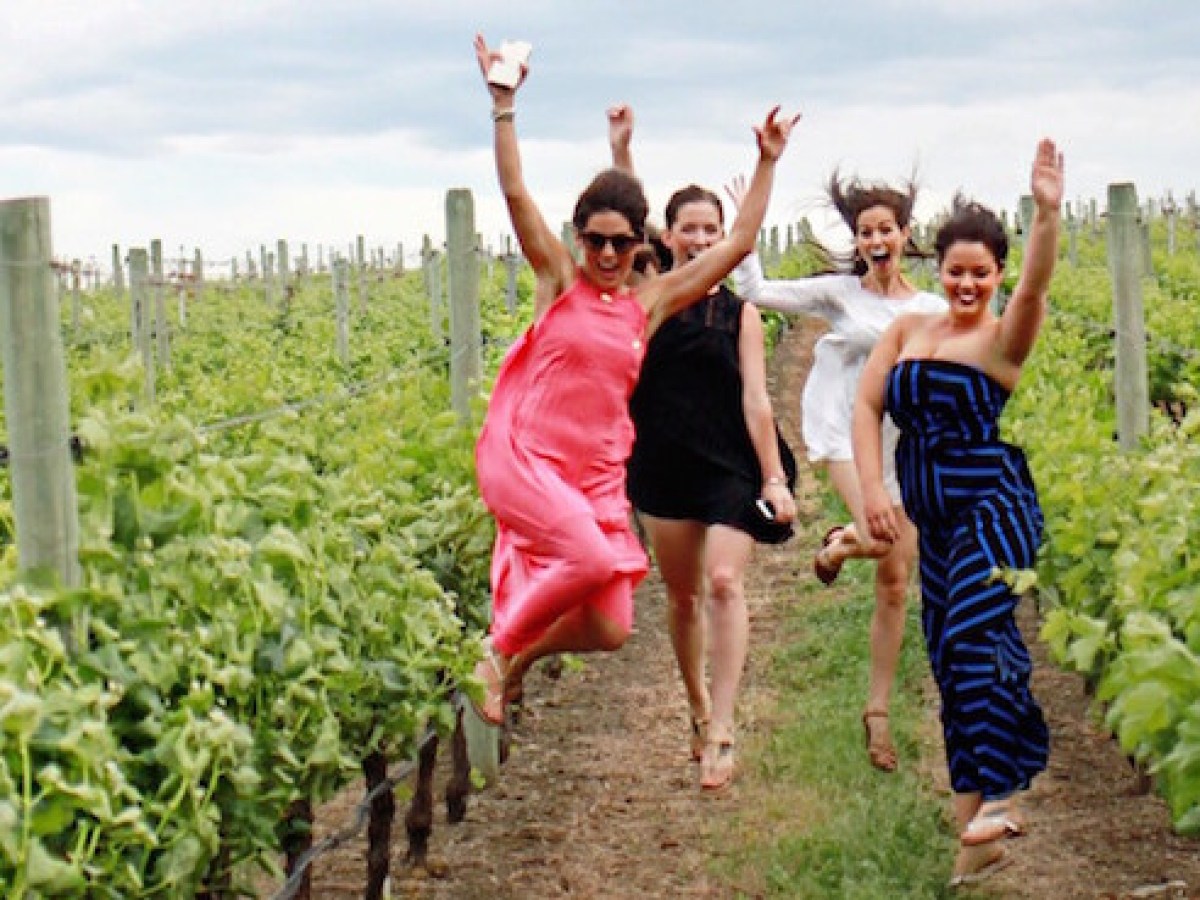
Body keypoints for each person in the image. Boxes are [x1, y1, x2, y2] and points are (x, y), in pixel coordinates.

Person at [468, 34, 798, 728]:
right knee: (587, 558)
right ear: (578, 238)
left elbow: (736, 245)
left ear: (641, 244)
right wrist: (504, 106)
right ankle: (492, 657)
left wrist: (766, 162)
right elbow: (514, 190)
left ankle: (515, 662)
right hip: (531, 460)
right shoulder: (559, 281)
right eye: (597, 241)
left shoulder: (646, 306)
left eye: (624, 243)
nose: (611, 254)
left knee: (612, 626)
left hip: (593, 477)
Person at [852, 138, 1063, 885]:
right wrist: (874, 492)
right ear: (937, 270)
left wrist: (1046, 213)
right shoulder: (908, 330)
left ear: (997, 275)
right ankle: (973, 824)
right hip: (932, 517)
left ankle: (1002, 793)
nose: (968, 284)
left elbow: (1036, 289)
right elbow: (869, 403)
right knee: (947, 656)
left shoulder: (1003, 341)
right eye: (956, 271)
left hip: (992, 505)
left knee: (976, 636)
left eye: (982, 273)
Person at [726, 172, 946, 772]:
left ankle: (877, 713)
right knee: (883, 540)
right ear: (858, 239)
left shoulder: (932, 308)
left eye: (886, 229)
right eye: (865, 231)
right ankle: (844, 546)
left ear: (906, 235)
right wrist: (748, 219)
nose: (876, 239)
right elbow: (755, 290)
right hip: (849, 434)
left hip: (906, 446)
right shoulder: (839, 294)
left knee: (898, 578)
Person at [608, 104, 799, 791]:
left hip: (730, 465)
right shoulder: (645, 297)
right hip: (661, 461)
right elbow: (624, 231)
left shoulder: (741, 313)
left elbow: (758, 400)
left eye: (710, 229)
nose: (700, 237)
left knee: (724, 581)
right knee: (682, 596)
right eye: (688, 227)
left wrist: (774, 481)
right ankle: (694, 706)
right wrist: (621, 148)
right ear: (669, 235)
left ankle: (722, 726)